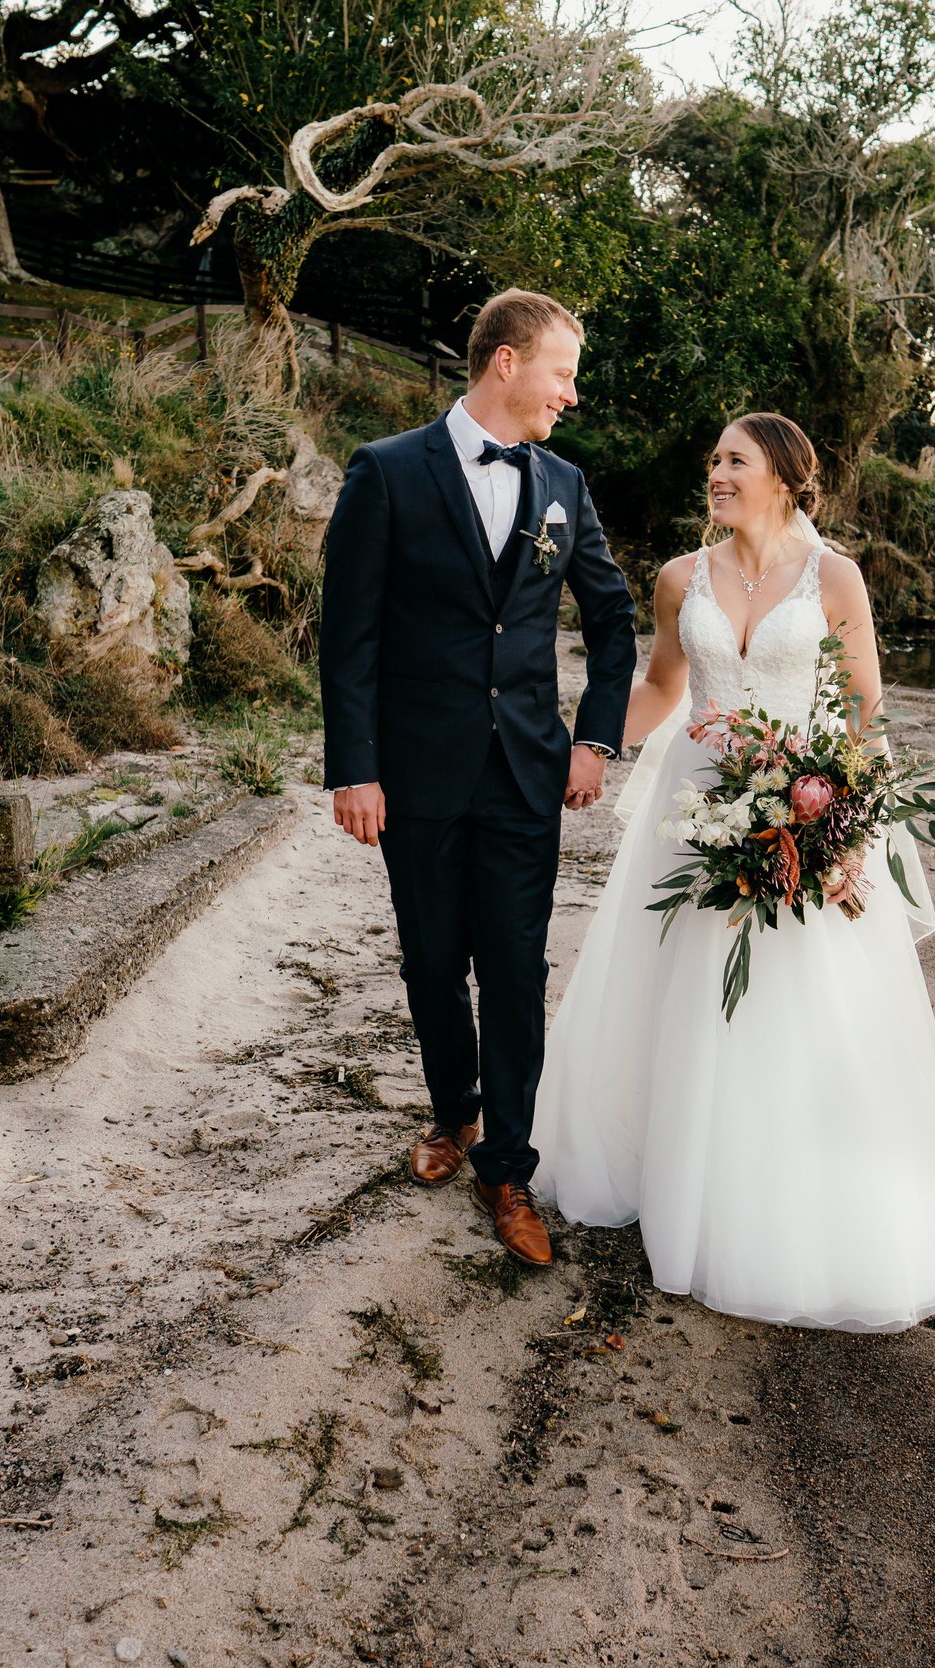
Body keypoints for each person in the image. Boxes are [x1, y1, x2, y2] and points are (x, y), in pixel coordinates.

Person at [531, 413, 935, 1331]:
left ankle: (788, 1204)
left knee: (796, 1009)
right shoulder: (678, 579)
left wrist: (850, 831)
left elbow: (864, 712)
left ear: (783, 477)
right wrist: (578, 745)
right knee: (682, 999)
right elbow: (665, 690)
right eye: (712, 460)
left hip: (805, 806)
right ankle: (679, 1183)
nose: (716, 473)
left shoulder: (835, 578)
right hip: (692, 813)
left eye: (734, 461)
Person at [318, 290, 638, 1269]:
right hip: (413, 773)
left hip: (524, 776)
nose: (570, 395)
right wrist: (355, 769)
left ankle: (506, 1168)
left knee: (512, 967)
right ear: (506, 362)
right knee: (429, 964)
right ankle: (452, 1113)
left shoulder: (564, 486)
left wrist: (595, 741)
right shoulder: (384, 473)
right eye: (562, 372)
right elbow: (349, 637)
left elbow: (614, 619)